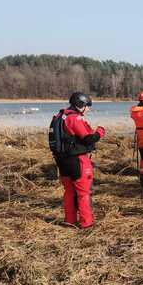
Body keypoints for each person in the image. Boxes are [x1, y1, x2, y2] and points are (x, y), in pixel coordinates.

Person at [49, 92, 105, 228]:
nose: (88, 109)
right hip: (77, 160)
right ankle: (87, 223)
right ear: (80, 105)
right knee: (83, 192)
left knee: (69, 191)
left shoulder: (59, 116)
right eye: (87, 106)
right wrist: (100, 132)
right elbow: (88, 138)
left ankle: (70, 220)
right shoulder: (74, 118)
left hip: (61, 159)